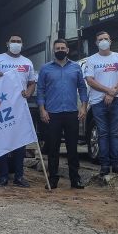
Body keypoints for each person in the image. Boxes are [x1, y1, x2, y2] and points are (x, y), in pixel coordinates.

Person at [0, 34, 37, 188]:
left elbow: (31, 82)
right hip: (1, 107)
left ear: (22, 44)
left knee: (19, 143)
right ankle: (3, 176)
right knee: (2, 142)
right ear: (7, 43)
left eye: (19, 42)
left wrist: (28, 93)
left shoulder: (27, 62)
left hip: (20, 108)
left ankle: (19, 176)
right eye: (13, 41)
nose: (16, 44)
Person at [37, 39, 88, 189]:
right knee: (53, 148)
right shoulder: (45, 69)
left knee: (72, 148)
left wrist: (84, 107)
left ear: (67, 50)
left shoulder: (76, 68)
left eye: (63, 48)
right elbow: (40, 91)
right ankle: (53, 179)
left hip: (72, 113)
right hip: (52, 114)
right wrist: (42, 110)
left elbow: (82, 88)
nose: (60, 50)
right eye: (57, 48)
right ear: (54, 50)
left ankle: (75, 179)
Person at [84, 31, 118, 177]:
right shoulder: (91, 60)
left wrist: (113, 92)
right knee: (102, 133)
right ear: (96, 43)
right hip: (97, 101)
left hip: (116, 100)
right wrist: (108, 91)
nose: (103, 41)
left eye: (106, 39)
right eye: (100, 39)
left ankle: (116, 164)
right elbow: (90, 80)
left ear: (110, 41)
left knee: (115, 133)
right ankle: (104, 165)